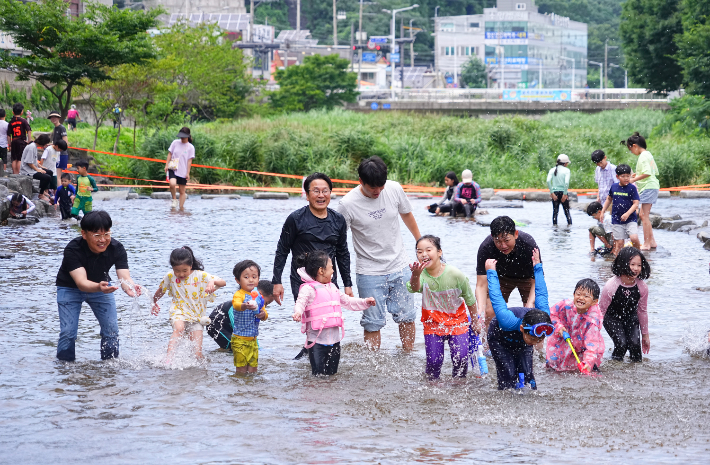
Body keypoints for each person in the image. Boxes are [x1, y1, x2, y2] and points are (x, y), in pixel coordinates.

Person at [336, 156, 421, 351]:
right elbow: (339, 244)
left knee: (407, 316)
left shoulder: (393, 188)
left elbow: (407, 214)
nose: (378, 191)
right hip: (369, 272)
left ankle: (408, 356)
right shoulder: (347, 204)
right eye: (372, 187)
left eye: (380, 186)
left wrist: (420, 243)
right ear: (360, 181)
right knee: (372, 322)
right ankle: (373, 367)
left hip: (400, 266)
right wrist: (345, 280)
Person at [55, 211, 141, 361]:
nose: (103, 240)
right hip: (70, 288)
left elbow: (124, 277)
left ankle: (109, 367)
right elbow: (81, 283)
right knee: (68, 332)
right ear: (84, 234)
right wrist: (99, 288)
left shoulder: (117, 248)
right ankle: (65, 369)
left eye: (106, 234)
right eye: (97, 235)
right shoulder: (72, 249)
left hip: (102, 288)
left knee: (111, 331)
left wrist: (130, 288)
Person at [272, 172, 352, 304]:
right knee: (311, 320)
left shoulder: (338, 220)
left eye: (325, 191)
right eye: (316, 191)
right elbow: (282, 250)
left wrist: (347, 284)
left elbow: (343, 253)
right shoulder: (295, 219)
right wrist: (277, 281)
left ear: (330, 193)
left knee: (331, 318)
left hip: (329, 281)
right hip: (303, 282)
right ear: (307, 195)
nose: (321, 195)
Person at [292, 250, 376, 375]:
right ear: (321, 271)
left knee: (332, 375)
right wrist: (298, 312)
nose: (333, 271)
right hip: (317, 342)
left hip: (335, 342)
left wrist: (365, 302)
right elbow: (300, 302)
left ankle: (332, 394)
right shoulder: (308, 289)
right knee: (318, 376)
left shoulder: (333, 288)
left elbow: (347, 301)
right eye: (331, 268)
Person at [407, 235, 477, 380]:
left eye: (428, 250)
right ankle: (433, 389)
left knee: (461, 360)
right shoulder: (421, 275)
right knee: (433, 362)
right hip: (432, 324)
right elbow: (414, 288)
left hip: (458, 322)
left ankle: (458, 387)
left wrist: (475, 321)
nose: (424, 254)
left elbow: (470, 299)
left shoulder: (455, 274)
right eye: (419, 252)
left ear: (439, 252)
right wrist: (415, 275)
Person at [485, 249, 552, 390]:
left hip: (521, 339)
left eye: (539, 340)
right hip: (499, 337)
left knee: (528, 377)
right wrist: (491, 272)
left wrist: (538, 266)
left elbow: (541, 293)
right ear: (522, 328)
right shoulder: (507, 320)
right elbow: (497, 299)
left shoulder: (543, 318)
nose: (536, 343)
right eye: (534, 340)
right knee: (508, 377)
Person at [151, 246, 226, 361]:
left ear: (191, 266)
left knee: (197, 355)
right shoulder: (170, 276)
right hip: (178, 311)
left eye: (184, 270)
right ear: (172, 268)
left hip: (196, 317)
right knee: (179, 329)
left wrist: (212, 281)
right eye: (177, 271)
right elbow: (161, 290)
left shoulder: (201, 275)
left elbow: (223, 282)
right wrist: (154, 302)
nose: (181, 274)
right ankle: (168, 360)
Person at [476, 216, 541, 329]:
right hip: (500, 278)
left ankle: (535, 346)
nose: (503, 246)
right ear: (492, 237)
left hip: (527, 279)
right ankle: (488, 345)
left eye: (506, 240)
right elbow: (481, 285)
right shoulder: (486, 247)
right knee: (489, 311)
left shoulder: (528, 244)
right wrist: (480, 309)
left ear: (515, 234)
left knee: (534, 313)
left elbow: (537, 280)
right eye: (498, 241)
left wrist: (530, 303)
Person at [599, 247, 651, 362]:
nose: (636, 268)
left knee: (635, 345)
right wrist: (594, 333)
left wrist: (645, 335)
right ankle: (616, 370)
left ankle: (635, 374)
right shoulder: (611, 286)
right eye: (632, 264)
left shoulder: (642, 287)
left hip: (631, 317)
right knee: (621, 344)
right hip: (611, 318)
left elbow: (642, 311)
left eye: (639, 265)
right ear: (623, 263)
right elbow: (600, 311)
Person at [546, 278, 605, 372]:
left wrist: (588, 363)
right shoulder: (565, 305)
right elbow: (550, 314)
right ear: (574, 295)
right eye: (578, 294)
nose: (581, 298)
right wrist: (559, 326)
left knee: (578, 369)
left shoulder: (593, 320)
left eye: (586, 296)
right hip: (562, 339)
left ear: (594, 301)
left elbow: (592, 345)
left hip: (582, 346)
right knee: (553, 366)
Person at [206, 280, 276, 351]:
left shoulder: (254, 307)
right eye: (266, 303)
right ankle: (218, 355)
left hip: (229, 326)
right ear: (259, 294)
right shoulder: (240, 304)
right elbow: (238, 326)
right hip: (215, 325)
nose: (265, 306)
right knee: (237, 346)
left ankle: (222, 357)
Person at [231, 260, 268, 374]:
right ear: (238, 280)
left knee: (253, 369)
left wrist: (263, 315)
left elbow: (264, 312)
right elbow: (236, 305)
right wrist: (244, 306)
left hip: (253, 340)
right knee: (241, 369)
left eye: (254, 276)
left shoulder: (258, 296)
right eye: (246, 277)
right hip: (240, 340)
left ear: (258, 279)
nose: (251, 280)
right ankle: (241, 389)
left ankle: (251, 390)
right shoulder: (239, 294)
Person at [624, 132, 659, 250]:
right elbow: (651, 171)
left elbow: (648, 173)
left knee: (644, 216)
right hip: (650, 186)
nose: (631, 152)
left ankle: (647, 243)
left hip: (648, 187)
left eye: (630, 149)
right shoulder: (647, 154)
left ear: (635, 146)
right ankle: (652, 241)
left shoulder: (643, 156)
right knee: (644, 215)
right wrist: (636, 174)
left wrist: (633, 179)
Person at [601, 164, 640, 255]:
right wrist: (603, 211)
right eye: (623, 176)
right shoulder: (614, 187)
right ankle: (618, 262)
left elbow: (636, 203)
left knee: (634, 238)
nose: (626, 178)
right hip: (617, 220)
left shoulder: (632, 188)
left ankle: (638, 254)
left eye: (628, 176)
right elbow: (609, 199)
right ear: (617, 177)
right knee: (619, 243)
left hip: (630, 219)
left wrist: (627, 213)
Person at [165, 127, 195, 209]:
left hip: (183, 170)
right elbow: (170, 153)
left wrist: (188, 173)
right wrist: (166, 165)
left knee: (182, 191)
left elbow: (189, 161)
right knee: (172, 184)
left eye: (183, 136)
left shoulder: (191, 147)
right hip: (173, 167)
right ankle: (174, 199)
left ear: (188, 136)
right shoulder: (175, 143)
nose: (181, 138)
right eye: (181, 136)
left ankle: (181, 208)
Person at [20, 133, 52, 201]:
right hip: (27, 170)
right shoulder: (32, 147)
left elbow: (34, 161)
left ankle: (42, 190)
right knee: (47, 177)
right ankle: (41, 194)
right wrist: (38, 170)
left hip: (32, 168)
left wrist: (41, 167)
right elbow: (29, 162)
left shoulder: (34, 146)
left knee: (49, 172)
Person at [546, 154, 572, 226]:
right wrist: (565, 194)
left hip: (555, 193)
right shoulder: (567, 170)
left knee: (555, 212)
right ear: (565, 163)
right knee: (567, 212)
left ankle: (555, 229)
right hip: (563, 192)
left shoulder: (552, 170)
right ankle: (569, 227)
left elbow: (548, 181)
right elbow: (566, 182)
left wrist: (552, 193)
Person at [7, 102, 32, 175]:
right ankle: (19, 174)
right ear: (22, 112)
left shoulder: (11, 122)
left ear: (12, 112)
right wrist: (29, 141)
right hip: (21, 142)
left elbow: (8, 135)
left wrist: (10, 145)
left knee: (14, 159)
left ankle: (14, 174)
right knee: (20, 159)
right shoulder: (23, 121)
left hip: (14, 141)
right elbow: (29, 131)